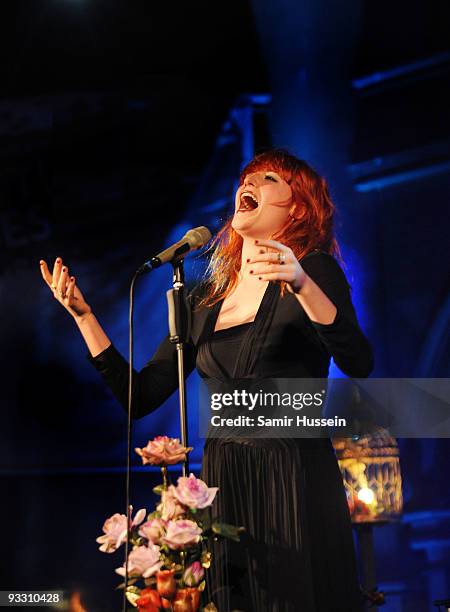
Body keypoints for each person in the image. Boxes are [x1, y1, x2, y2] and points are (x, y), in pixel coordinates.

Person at [40, 149, 373, 612]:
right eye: (246, 178)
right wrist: (84, 318)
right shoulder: (204, 301)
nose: (249, 185)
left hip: (291, 469)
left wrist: (302, 285)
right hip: (224, 479)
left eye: (269, 178)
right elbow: (142, 396)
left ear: (298, 207)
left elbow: (359, 360)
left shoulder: (313, 270)